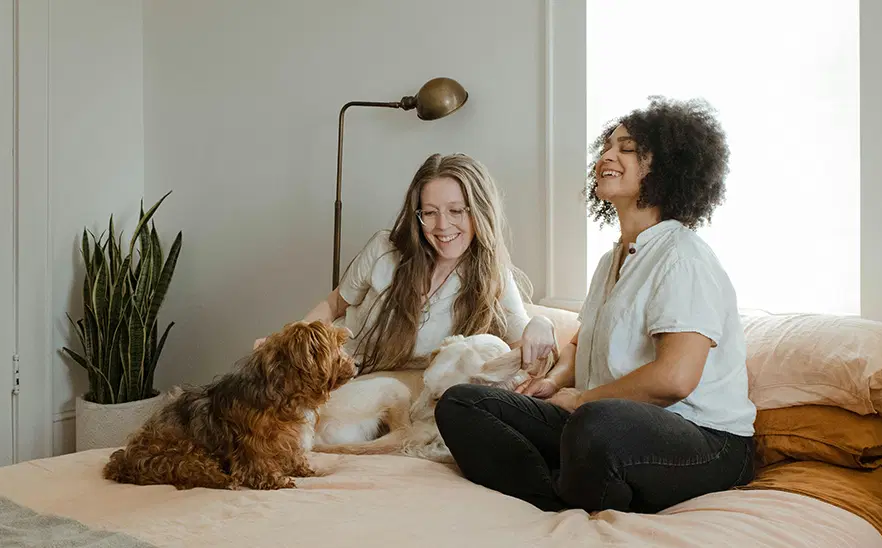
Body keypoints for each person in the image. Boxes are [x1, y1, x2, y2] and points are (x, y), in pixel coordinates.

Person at [434, 96, 757, 514]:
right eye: (607, 146)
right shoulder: (613, 260)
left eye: (627, 148)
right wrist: (553, 382)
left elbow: (675, 378)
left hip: (706, 441)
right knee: (462, 404)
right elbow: (582, 340)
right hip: (602, 422)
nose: (607, 155)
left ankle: (573, 483)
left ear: (667, 167)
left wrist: (583, 400)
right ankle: (562, 494)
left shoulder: (682, 257)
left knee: (593, 426)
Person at [257, 153, 558, 373]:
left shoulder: (493, 277)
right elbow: (335, 304)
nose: (442, 225)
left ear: (479, 212)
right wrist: (285, 341)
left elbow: (523, 342)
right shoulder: (384, 249)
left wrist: (543, 324)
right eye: (429, 212)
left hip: (396, 393)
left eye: (456, 211)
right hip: (336, 371)